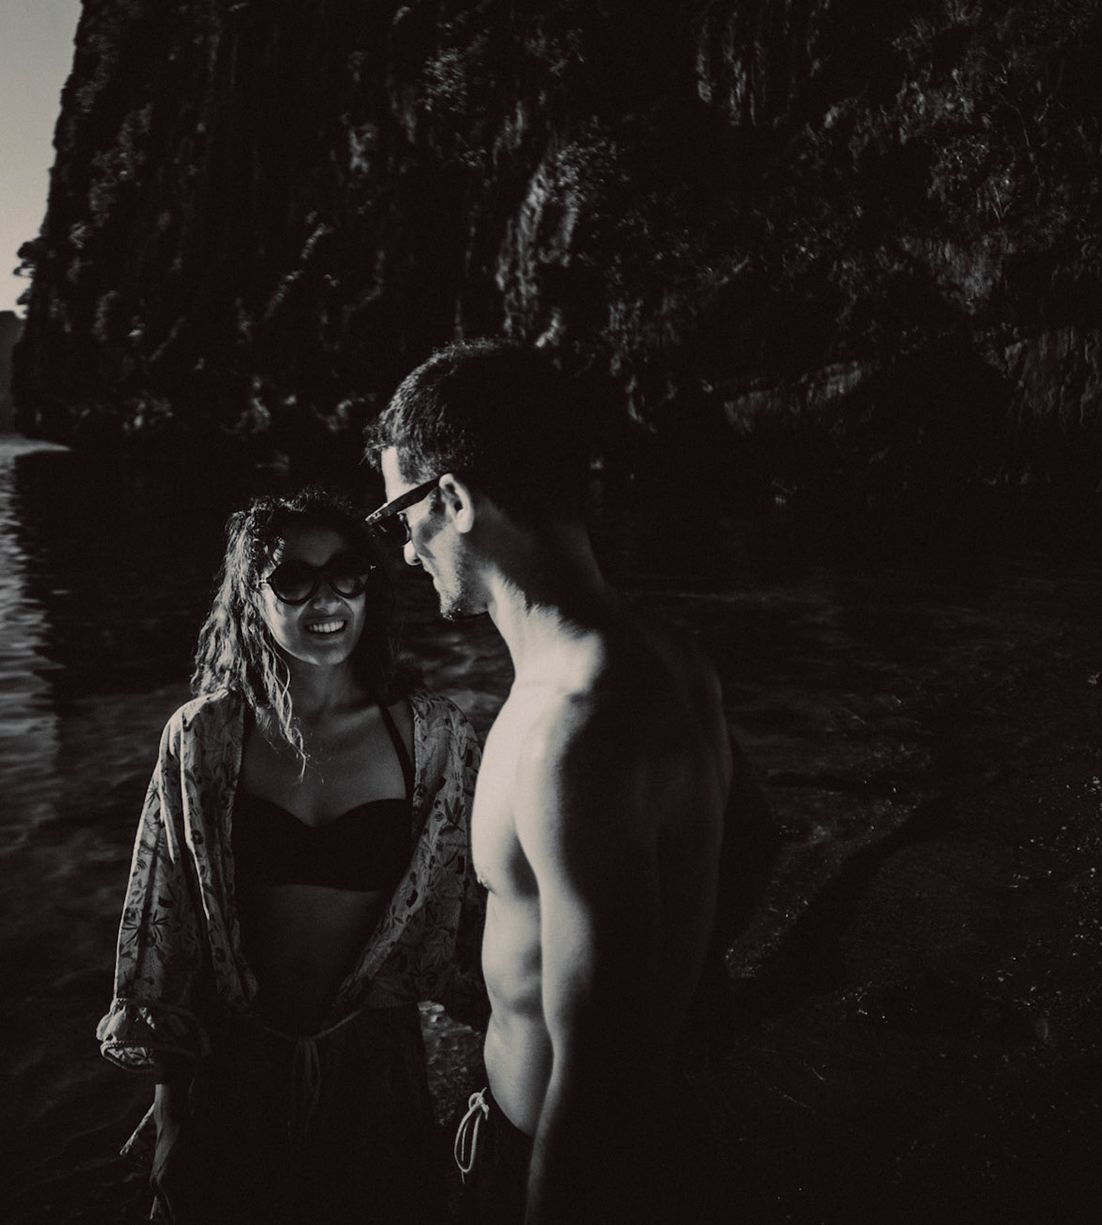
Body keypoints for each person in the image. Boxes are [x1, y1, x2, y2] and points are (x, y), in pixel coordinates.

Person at [366, 340, 769, 1223]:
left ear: (455, 501)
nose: (403, 551)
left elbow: (601, 1073)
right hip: (646, 1137)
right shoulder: (668, 654)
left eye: (399, 515)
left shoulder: (570, 735)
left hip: (558, 1163)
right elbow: (754, 841)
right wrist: (688, 984)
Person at [97, 487, 487, 1224]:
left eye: (347, 573)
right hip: (235, 1065)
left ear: (371, 585)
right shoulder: (206, 736)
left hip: (376, 1064)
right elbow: (170, 930)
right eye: (293, 579)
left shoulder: (432, 736)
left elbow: (477, 917)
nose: (327, 598)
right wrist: (171, 1115)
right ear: (251, 596)